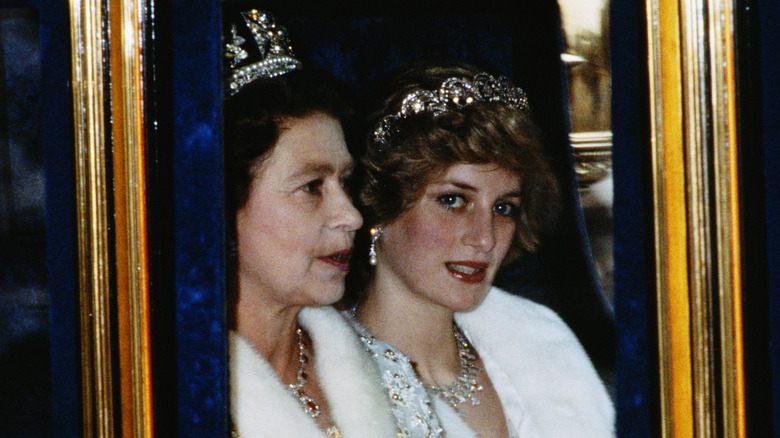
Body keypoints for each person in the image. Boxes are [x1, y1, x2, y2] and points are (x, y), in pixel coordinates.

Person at [344, 57, 615, 437]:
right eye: (453, 201)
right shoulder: (333, 383)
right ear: (378, 205)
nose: (485, 238)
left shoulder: (541, 345)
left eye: (504, 208)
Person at [223, 9, 397, 437]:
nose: (352, 217)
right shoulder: (174, 399)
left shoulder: (387, 370)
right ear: (222, 205)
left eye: (345, 182)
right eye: (312, 187)